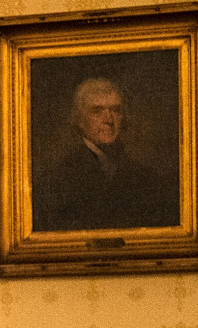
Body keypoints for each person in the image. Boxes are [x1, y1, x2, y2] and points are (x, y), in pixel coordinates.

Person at [33, 76, 177, 233]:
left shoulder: (147, 178)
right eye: (97, 111)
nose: (108, 120)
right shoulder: (57, 179)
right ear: (80, 120)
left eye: (115, 110)